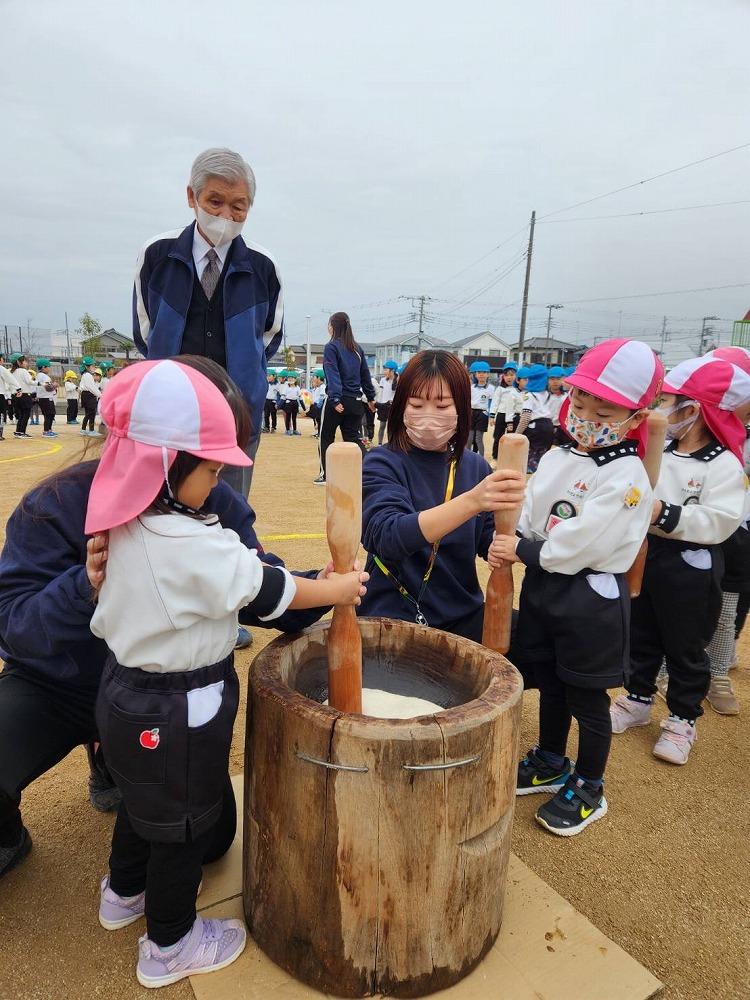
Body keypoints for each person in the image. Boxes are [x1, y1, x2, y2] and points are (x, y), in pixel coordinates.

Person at [0, 355, 345, 884]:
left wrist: (324, 587)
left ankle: (112, 761)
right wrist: (82, 587)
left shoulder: (213, 501)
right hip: (59, 684)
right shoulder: (56, 503)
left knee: (205, 837)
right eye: (210, 458)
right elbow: (13, 622)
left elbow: (256, 584)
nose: (220, 473)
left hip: (159, 695)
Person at [87, 359, 367, 988]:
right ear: (165, 463)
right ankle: (169, 944)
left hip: (124, 696)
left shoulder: (123, 519)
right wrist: (336, 586)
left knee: (141, 804)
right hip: (178, 707)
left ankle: (122, 893)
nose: (217, 483)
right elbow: (263, 591)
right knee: (184, 824)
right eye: (211, 469)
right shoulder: (186, 542)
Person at [493, 339, 661, 836]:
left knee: (585, 693)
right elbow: (531, 505)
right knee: (549, 679)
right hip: (545, 586)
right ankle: (550, 757)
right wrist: (514, 532)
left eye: (603, 411)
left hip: (589, 597)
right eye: (580, 405)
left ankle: (590, 783)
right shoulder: (561, 454)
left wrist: (523, 551)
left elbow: (588, 540)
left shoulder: (628, 476)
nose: (586, 417)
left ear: (634, 418)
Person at [611, 357, 749, 765]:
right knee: (643, 630)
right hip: (648, 556)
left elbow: (721, 521)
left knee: (686, 644)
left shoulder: (723, 464)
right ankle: (637, 698)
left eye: (668, 400)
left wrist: (664, 513)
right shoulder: (661, 449)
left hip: (692, 564)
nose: (660, 409)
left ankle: (682, 717)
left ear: (694, 410)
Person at [133, 147, 283, 497]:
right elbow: (144, 330)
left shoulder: (264, 265)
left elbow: (270, 336)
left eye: (238, 206)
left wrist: (244, 378)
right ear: (192, 196)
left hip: (238, 411)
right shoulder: (157, 254)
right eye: (215, 201)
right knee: (164, 502)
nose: (226, 215)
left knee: (230, 510)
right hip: (169, 410)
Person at [359, 350, 525, 641]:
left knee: (547, 641)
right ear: (401, 407)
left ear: (461, 407)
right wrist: (473, 500)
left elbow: (490, 540)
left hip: (462, 613)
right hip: (391, 618)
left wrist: (525, 539)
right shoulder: (382, 462)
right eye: (417, 404)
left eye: (442, 405)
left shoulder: (474, 466)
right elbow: (386, 536)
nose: (428, 417)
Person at [315, 312, 376, 485]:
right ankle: (369, 472)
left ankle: (326, 475)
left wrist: (335, 399)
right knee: (353, 438)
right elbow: (365, 374)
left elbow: (332, 373)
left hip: (339, 400)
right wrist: (370, 398)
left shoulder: (331, 347)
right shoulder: (357, 348)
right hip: (355, 401)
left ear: (333, 327)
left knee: (326, 437)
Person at [517, 364, 554, 473]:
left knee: (531, 455)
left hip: (534, 427)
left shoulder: (529, 395)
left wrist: (517, 433)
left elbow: (526, 417)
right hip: (548, 425)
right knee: (543, 454)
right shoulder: (548, 394)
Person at [490, 362, 521, 459]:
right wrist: (492, 416)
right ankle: (495, 457)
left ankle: (508, 457)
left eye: (512, 375)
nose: (509, 377)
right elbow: (495, 402)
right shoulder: (500, 389)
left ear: (516, 376)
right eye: (506, 375)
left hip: (513, 417)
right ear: (503, 376)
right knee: (498, 437)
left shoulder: (518, 390)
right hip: (501, 415)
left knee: (511, 437)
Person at [468, 361, 492, 456]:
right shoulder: (471, 387)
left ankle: (481, 458)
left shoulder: (491, 388)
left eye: (484, 372)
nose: (481, 374)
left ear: (488, 374)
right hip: (472, 412)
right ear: (475, 374)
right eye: (479, 372)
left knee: (478, 438)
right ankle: (468, 457)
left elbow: (492, 403)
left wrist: (488, 413)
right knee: (469, 438)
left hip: (483, 414)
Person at [374, 360, 398, 446]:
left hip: (392, 406)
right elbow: (380, 393)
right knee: (382, 425)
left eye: (386, 370)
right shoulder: (383, 380)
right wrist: (378, 404)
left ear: (392, 371)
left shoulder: (398, 380)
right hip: (383, 406)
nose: (384, 372)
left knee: (391, 427)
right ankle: (379, 444)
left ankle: (391, 444)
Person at [10, 354, 34, 437]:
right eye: (24, 360)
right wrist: (39, 383)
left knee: (20, 415)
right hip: (24, 395)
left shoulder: (12, 372)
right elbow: (30, 381)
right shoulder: (23, 371)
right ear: (19, 362)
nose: (25, 362)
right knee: (25, 414)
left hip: (15, 396)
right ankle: (22, 432)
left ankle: (18, 431)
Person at [35, 359, 59, 438]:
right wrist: (55, 385)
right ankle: (46, 431)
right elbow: (48, 388)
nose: (49, 368)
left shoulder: (40, 375)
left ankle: (49, 430)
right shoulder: (43, 376)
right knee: (49, 414)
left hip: (45, 398)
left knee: (50, 414)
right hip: (45, 398)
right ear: (43, 367)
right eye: (48, 367)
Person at [79, 356, 102, 436]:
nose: (94, 367)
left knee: (89, 413)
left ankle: (84, 429)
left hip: (86, 395)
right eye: (92, 365)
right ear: (86, 367)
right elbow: (92, 388)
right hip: (89, 396)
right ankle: (90, 430)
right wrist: (100, 395)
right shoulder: (88, 375)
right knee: (91, 413)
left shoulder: (85, 375)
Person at [547, 365, 568, 446]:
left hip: (561, 428)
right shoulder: (544, 395)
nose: (555, 381)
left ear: (564, 379)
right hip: (547, 427)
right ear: (548, 380)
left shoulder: (566, 397)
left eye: (558, 379)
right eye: (552, 379)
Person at [309, 370, 326, 438]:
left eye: (314, 377)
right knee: (317, 419)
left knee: (319, 420)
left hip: (319, 406)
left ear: (319, 378)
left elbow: (322, 398)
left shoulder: (322, 387)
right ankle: (318, 433)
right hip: (315, 405)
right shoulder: (318, 387)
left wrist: (318, 406)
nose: (313, 378)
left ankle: (320, 434)